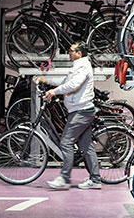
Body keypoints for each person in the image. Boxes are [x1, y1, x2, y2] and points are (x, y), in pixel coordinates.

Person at [36, 41, 101, 190]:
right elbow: (65, 81)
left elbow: (73, 85)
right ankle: (95, 179)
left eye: (71, 50)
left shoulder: (84, 67)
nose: (68, 52)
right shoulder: (78, 66)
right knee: (86, 147)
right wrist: (49, 81)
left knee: (66, 142)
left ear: (79, 53)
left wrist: (54, 92)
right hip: (80, 110)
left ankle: (64, 178)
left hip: (81, 111)